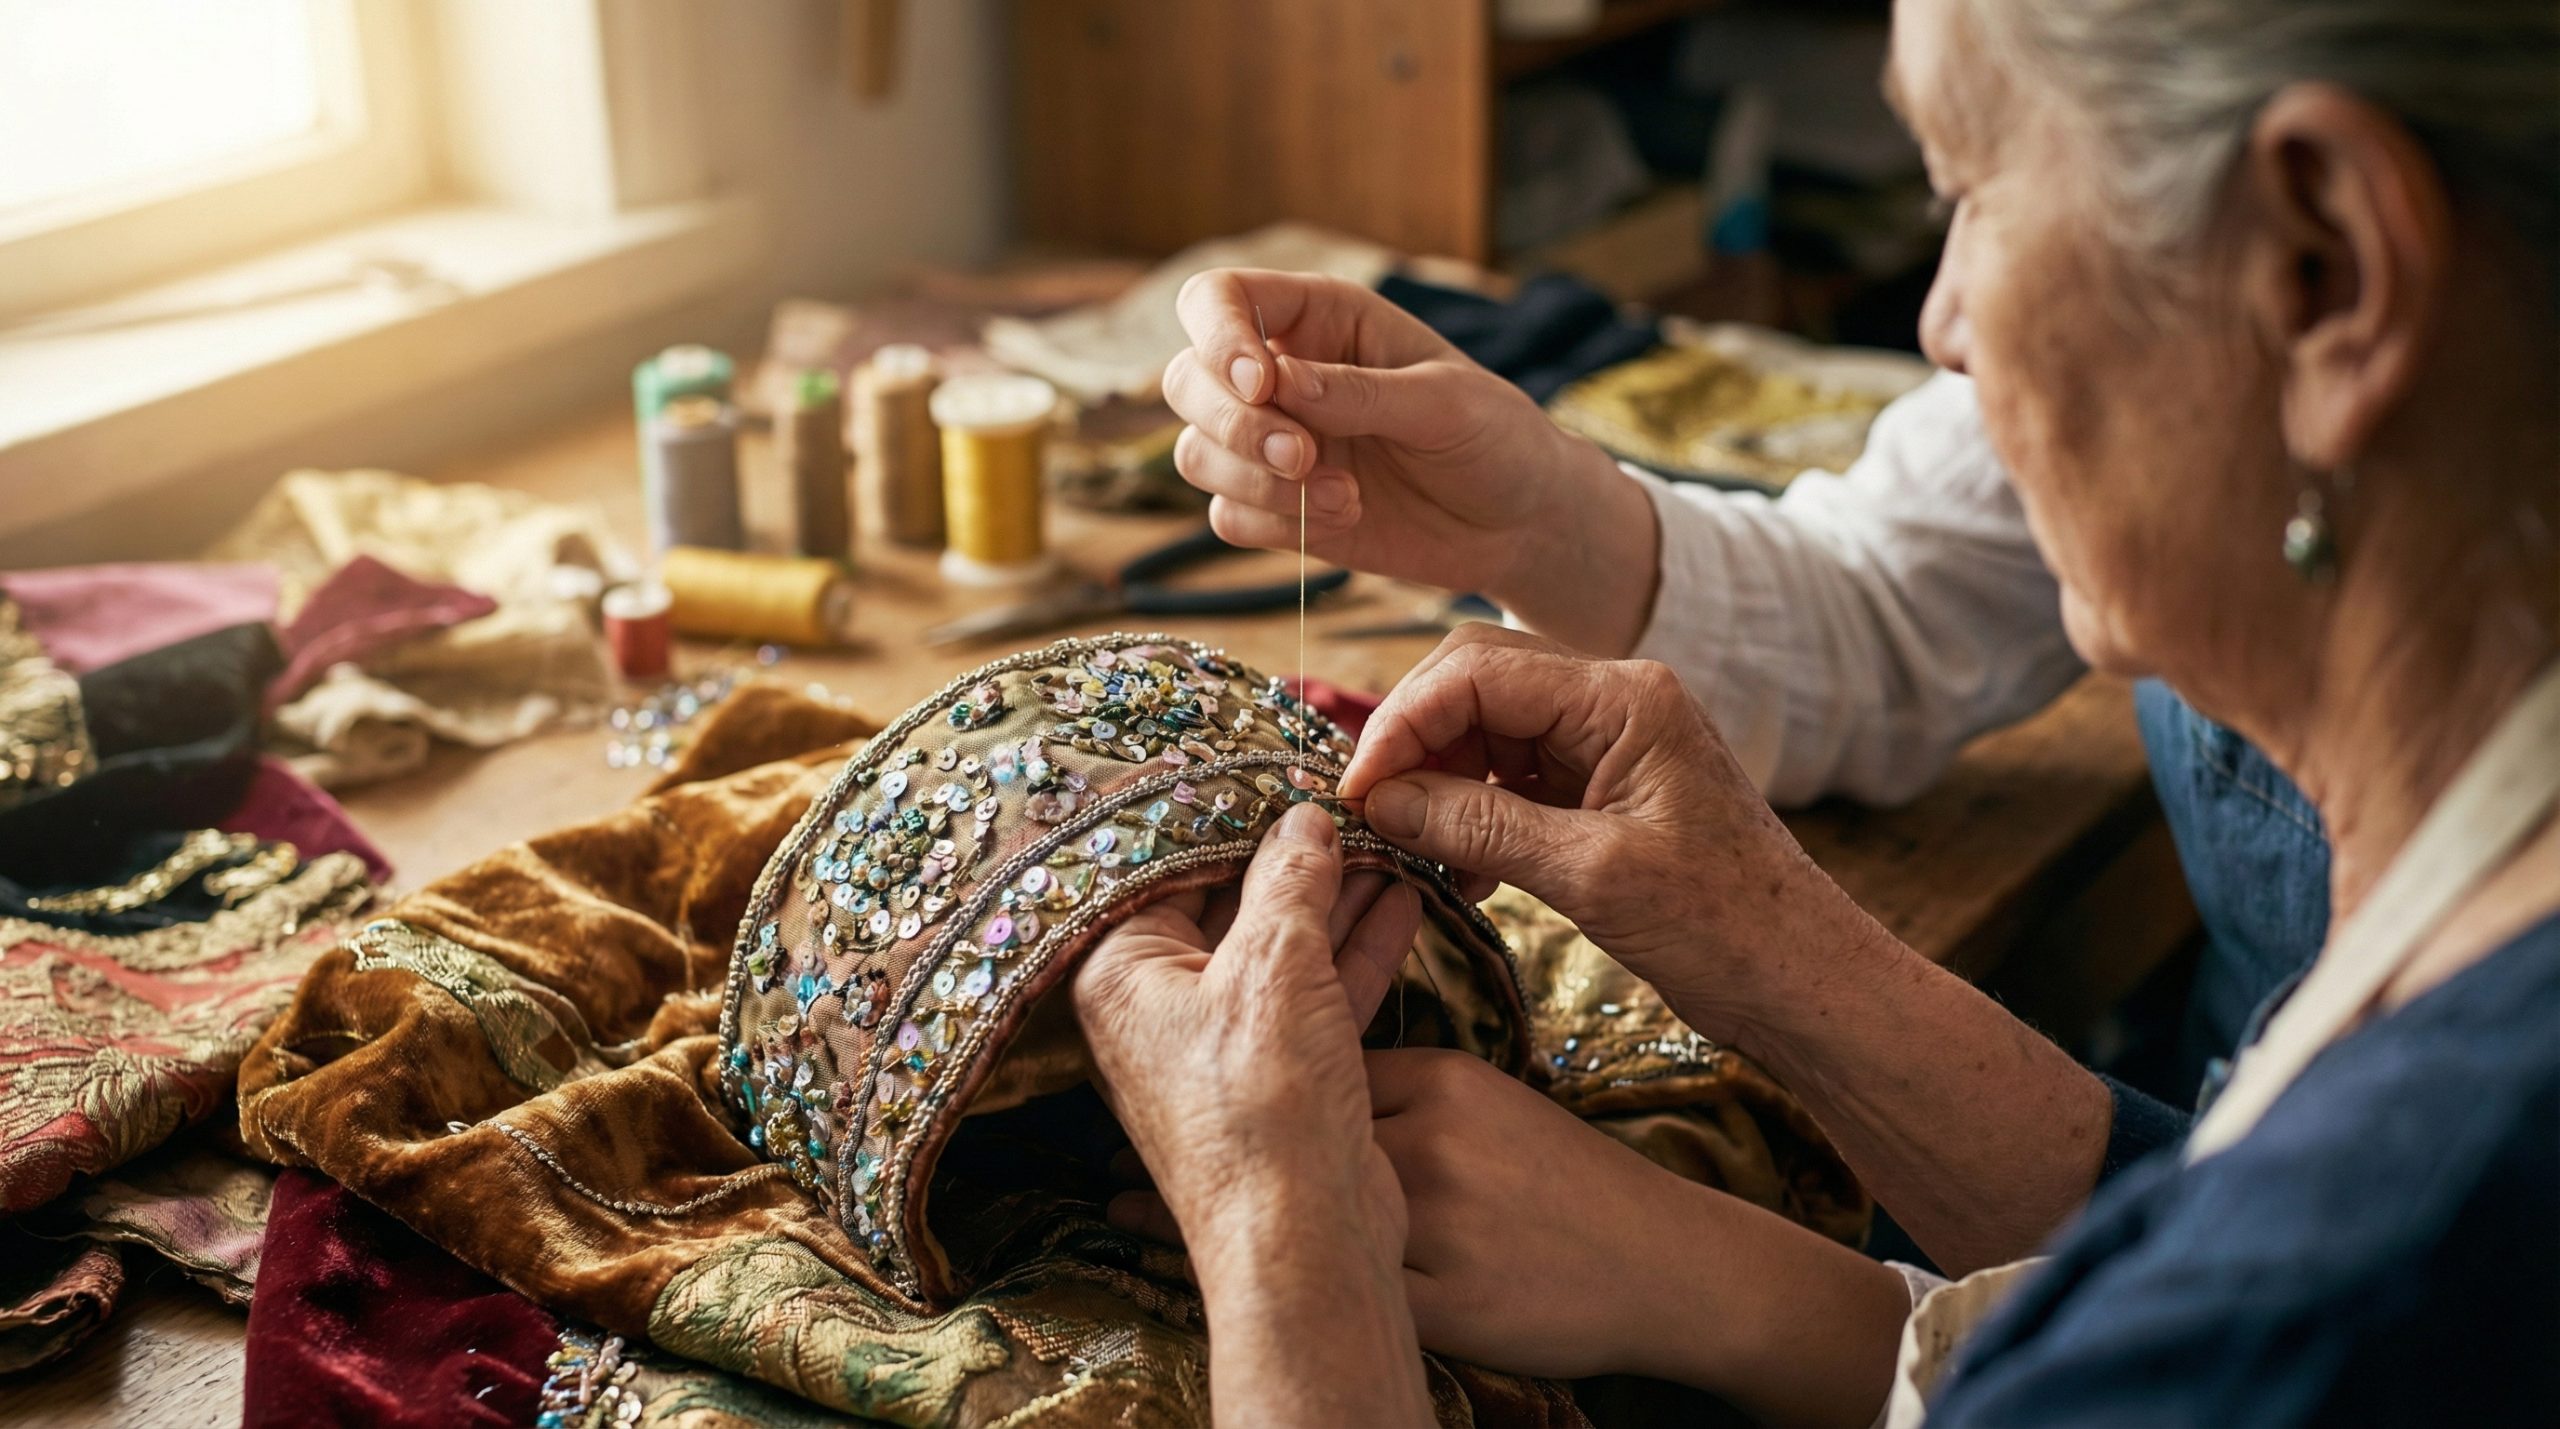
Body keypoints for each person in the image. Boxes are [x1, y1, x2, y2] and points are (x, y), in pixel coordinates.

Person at [1070, 0, 2560, 1421]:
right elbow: (2196, 1266)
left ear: (2327, 273)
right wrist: (1755, 1010)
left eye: (1972, 189)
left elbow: (2242, 1327)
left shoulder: (2398, 1229)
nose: (1941, 323)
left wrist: (1282, 1228)